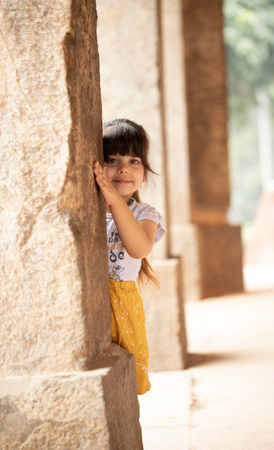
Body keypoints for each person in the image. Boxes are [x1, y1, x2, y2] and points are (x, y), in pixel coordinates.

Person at [93, 118, 166, 395]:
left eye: (134, 161)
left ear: (145, 173)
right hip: (93, 299)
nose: (124, 168)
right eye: (112, 159)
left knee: (124, 379)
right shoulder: (90, 210)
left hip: (123, 301)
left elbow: (139, 248)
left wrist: (114, 200)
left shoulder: (144, 214)